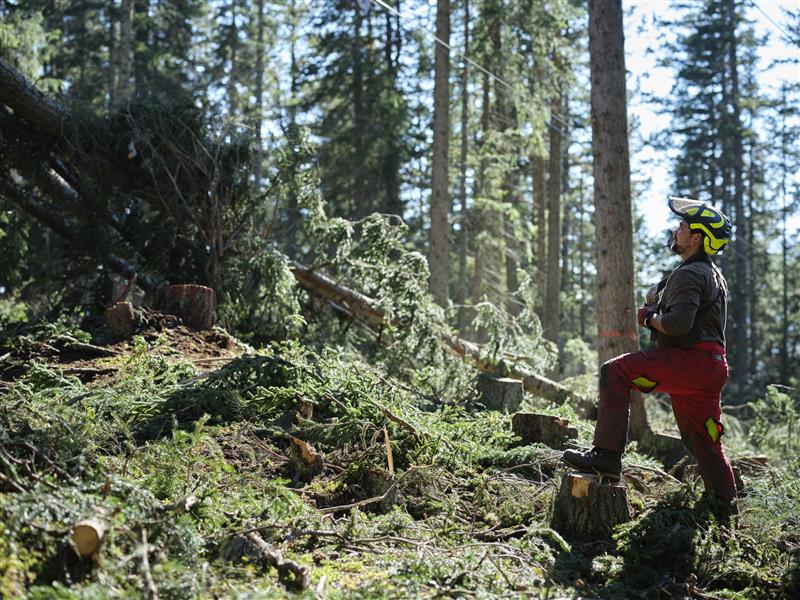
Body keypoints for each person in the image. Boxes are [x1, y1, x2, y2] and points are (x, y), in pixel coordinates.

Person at [562, 197, 738, 514]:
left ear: (696, 238)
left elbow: (677, 324)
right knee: (705, 440)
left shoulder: (689, 274)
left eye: (683, 227)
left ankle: (605, 456)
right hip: (709, 367)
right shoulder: (711, 274)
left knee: (614, 372)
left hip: (690, 362)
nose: (676, 230)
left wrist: (647, 318)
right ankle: (725, 512)